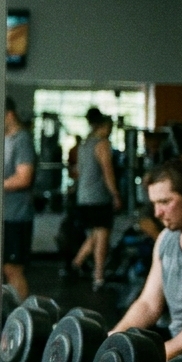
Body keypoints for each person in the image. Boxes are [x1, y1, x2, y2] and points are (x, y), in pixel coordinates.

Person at [109, 160, 182, 359]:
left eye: (166, 202)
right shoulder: (166, 239)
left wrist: (163, 353)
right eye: (154, 204)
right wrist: (112, 339)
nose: (157, 213)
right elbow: (149, 304)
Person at [70, 108, 122, 290]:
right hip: (99, 197)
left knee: (94, 234)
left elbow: (78, 171)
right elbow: (108, 172)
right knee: (102, 237)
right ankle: (98, 276)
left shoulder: (84, 144)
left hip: (84, 197)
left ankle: (76, 264)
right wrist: (115, 194)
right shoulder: (102, 144)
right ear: (105, 126)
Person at [3, 97, 36, 300]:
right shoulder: (6, 140)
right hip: (4, 216)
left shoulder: (22, 139)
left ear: (10, 114)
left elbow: (24, 178)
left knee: (13, 270)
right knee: (0, 270)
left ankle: (23, 323)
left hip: (17, 216)